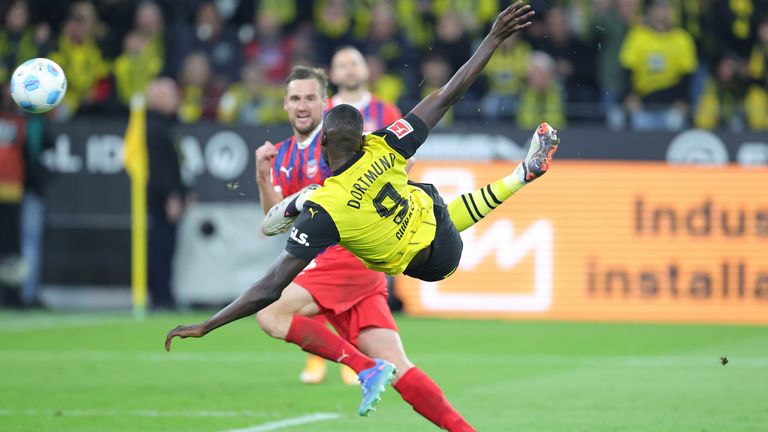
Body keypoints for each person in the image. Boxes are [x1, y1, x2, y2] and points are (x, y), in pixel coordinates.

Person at [166, 3, 546, 428]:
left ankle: (363, 368)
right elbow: (446, 94)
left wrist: (208, 324)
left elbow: (269, 285)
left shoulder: (326, 204)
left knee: (272, 313)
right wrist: (492, 38)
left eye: (308, 98)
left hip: (386, 260)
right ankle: (517, 178)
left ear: (323, 136)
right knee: (416, 200)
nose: (301, 105)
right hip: (433, 235)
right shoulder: (381, 143)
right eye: (295, 99)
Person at [286, 45, 405, 386]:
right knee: (316, 284)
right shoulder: (321, 110)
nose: (349, 69)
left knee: (352, 288)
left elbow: (404, 156)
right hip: (328, 209)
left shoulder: (385, 110)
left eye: (355, 62)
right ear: (332, 74)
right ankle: (319, 360)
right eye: (342, 64)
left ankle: (353, 359)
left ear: (366, 69)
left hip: (369, 216)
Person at [146, 78, 184, 311]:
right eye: (171, 95)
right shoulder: (155, 128)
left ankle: (164, 294)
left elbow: (176, 163)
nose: (176, 99)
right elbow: (161, 167)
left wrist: (183, 191)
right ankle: (161, 296)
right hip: (160, 199)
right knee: (161, 246)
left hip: (165, 195)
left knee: (166, 246)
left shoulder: (165, 126)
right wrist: (171, 194)